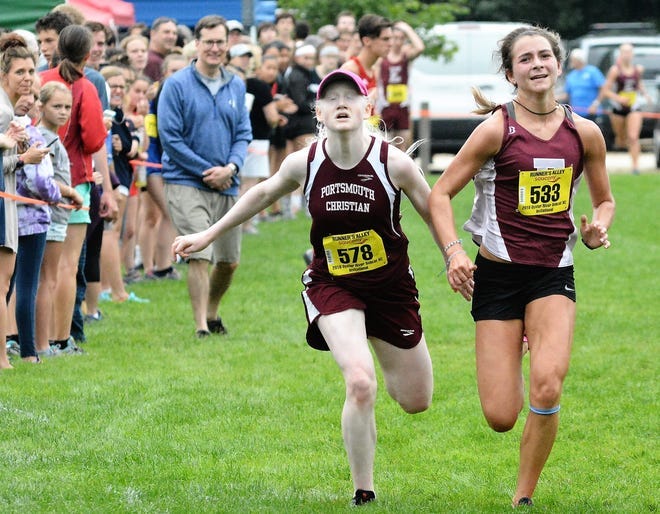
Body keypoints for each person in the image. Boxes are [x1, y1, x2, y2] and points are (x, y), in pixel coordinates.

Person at [173, 69, 439, 506]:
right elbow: (259, 196)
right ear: (317, 111)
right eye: (330, 97)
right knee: (359, 381)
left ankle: (382, 377)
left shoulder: (393, 163)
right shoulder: (306, 161)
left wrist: (456, 256)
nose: (340, 103)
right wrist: (207, 234)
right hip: (333, 283)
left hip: (390, 288)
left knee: (416, 400)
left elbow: (433, 212)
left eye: (350, 96)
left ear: (366, 107)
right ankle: (364, 490)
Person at [427, 26, 616, 508]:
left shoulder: (584, 132)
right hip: (497, 278)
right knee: (501, 416)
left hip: (553, 274)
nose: (538, 63)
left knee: (549, 381)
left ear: (558, 63)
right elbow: (439, 193)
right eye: (526, 58)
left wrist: (596, 229)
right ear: (511, 74)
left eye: (545, 55)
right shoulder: (496, 129)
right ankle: (521, 334)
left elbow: (605, 200)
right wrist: (453, 252)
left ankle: (523, 497)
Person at [158, 15, 252, 338]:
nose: (214, 48)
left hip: (228, 181)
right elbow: (169, 137)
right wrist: (204, 170)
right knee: (199, 253)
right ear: (196, 44)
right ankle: (200, 326)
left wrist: (232, 168)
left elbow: (243, 132)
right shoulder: (176, 85)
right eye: (208, 42)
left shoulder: (236, 84)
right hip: (186, 180)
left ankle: (212, 312)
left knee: (228, 261)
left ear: (228, 45)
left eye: (220, 42)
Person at [40, 24, 112, 352]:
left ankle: (33, 339)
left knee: (39, 267)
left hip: (37, 180)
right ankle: (60, 338)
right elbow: (95, 139)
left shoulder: (42, 80)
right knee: (68, 266)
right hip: (74, 182)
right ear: (87, 54)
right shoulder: (84, 87)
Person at [1, 34, 50, 369]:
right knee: (4, 282)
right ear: (4, 75)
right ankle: (4, 357)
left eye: (31, 70)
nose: (27, 77)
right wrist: (24, 158)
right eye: (20, 71)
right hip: (5, 205)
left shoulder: (9, 110)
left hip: (9, 203)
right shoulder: (4, 112)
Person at [34, 81, 83, 355]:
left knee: (43, 279)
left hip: (55, 216)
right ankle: (45, 342)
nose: (64, 112)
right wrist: (70, 192)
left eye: (67, 107)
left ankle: (37, 339)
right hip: (50, 215)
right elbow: (45, 178)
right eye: (57, 106)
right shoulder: (44, 137)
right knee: (47, 279)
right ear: (41, 107)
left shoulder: (52, 136)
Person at [601, 43, 653, 175]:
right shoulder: (615, 70)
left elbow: (638, 84)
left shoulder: (637, 69)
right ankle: (622, 143)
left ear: (632, 54)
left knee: (633, 137)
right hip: (618, 107)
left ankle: (635, 167)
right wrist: (618, 99)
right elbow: (606, 90)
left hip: (633, 106)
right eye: (624, 52)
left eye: (629, 52)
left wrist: (646, 95)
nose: (627, 55)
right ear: (620, 54)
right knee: (621, 139)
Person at [378, 21, 425, 151]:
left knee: (403, 143)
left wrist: (407, 28)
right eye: (395, 38)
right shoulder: (382, 56)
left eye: (401, 38)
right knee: (385, 142)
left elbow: (420, 48)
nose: (398, 42)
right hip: (385, 105)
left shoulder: (405, 54)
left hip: (402, 104)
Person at [341, 15, 393, 108]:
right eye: (385, 39)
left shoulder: (373, 70)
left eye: (390, 39)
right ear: (367, 41)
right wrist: (368, 100)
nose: (391, 44)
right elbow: (342, 109)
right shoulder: (350, 70)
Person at [560, 48, 605, 120]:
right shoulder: (571, 75)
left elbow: (603, 89)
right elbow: (566, 95)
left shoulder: (593, 71)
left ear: (579, 60)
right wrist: (553, 98)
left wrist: (595, 104)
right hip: (576, 114)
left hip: (592, 113)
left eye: (573, 59)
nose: (571, 61)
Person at [143, 17, 178, 82]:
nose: (171, 36)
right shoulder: (153, 62)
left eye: (174, 33)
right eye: (166, 32)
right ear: (153, 34)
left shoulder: (163, 59)